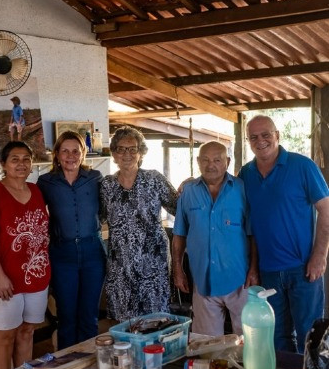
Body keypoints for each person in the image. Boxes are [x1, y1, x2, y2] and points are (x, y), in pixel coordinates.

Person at [239, 115, 329, 353]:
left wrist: (320, 255)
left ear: (277, 135)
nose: (261, 141)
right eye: (254, 137)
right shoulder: (246, 174)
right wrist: (254, 267)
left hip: (303, 268)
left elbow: (326, 210)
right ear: (248, 141)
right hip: (268, 272)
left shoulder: (302, 166)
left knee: (310, 336)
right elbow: (251, 226)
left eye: (266, 134)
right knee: (276, 336)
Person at [0, 141, 49, 369]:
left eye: (26, 159)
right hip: (4, 281)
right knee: (4, 338)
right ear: (4, 165)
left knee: (26, 333)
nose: (21, 164)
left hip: (36, 276)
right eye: (14, 159)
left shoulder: (36, 191)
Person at [172, 141, 258, 336]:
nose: (211, 165)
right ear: (198, 162)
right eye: (205, 160)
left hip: (240, 280)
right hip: (203, 280)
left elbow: (253, 234)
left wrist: (254, 269)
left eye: (217, 160)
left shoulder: (242, 189)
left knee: (247, 343)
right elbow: (179, 234)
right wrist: (177, 269)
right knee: (207, 346)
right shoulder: (188, 192)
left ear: (227, 162)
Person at [100, 126, 178, 322]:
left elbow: (179, 208)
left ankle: (156, 352)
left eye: (132, 149)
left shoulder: (154, 179)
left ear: (141, 152)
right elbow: (98, 217)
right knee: (124, 318)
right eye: (121, 149)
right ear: (114, 154)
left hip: (153, 260)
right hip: (120, 262)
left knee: (155, 317)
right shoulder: (106, 185)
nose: (127, 154)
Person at [37, 131, 106, 350]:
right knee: (66, 316)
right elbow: (35, 214)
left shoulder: (95, 178)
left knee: (89, 315)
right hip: (61, 255)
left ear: (83, 154)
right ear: (56, 154)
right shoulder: (45, 182)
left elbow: (106, 209)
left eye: (76, 151)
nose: (70, 155)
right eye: (65, 151)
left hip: (93, 252)